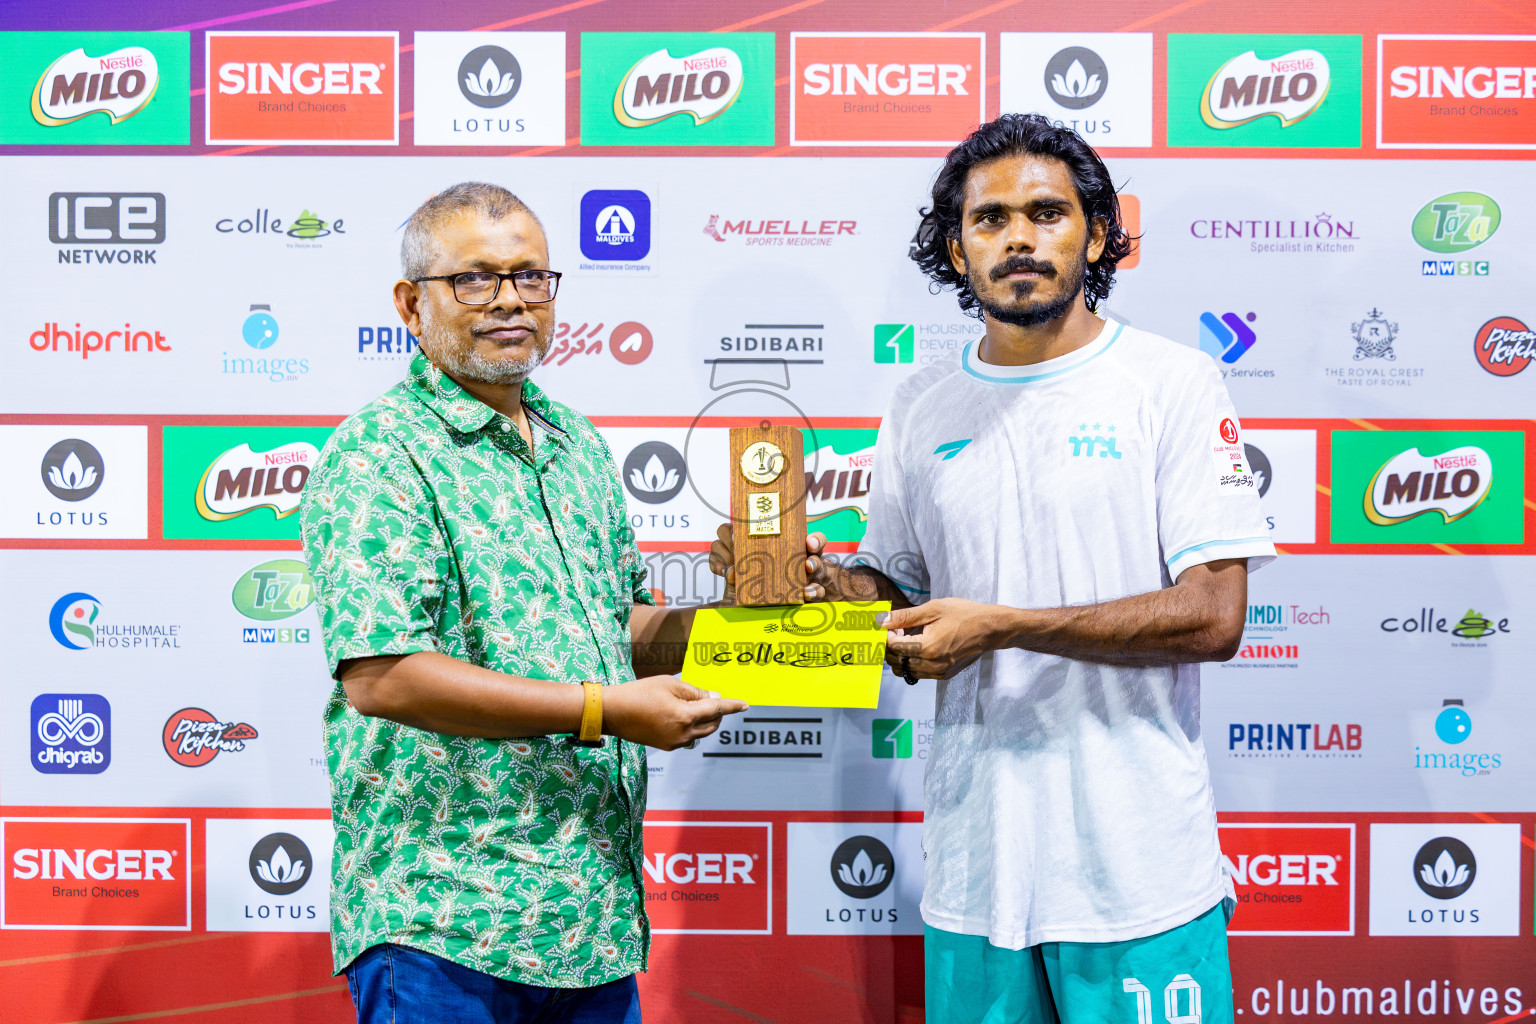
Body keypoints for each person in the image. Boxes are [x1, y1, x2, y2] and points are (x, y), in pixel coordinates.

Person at [711, 114, 1274, 1023]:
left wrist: (1009, 625)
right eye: (990, 219)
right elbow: (898, 596)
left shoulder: (1172, 383)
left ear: (1095, 231)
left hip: (1137, 871)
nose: (1019, 237)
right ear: (954, 246)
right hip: (979, 867)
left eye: (1048, 213)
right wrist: (822, 585)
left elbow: (1214, 615)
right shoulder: (923, 403)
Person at [301, 181, 747, 1024]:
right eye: (475, 279)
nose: (510, 299)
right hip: (445, 920)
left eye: (531, 276)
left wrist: (761, 615)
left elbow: (623, 635)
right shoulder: (378, 453)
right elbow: (384, 677)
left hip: (588, 922)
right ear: (411, 304)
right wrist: (604, 712)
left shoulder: (575, 443)